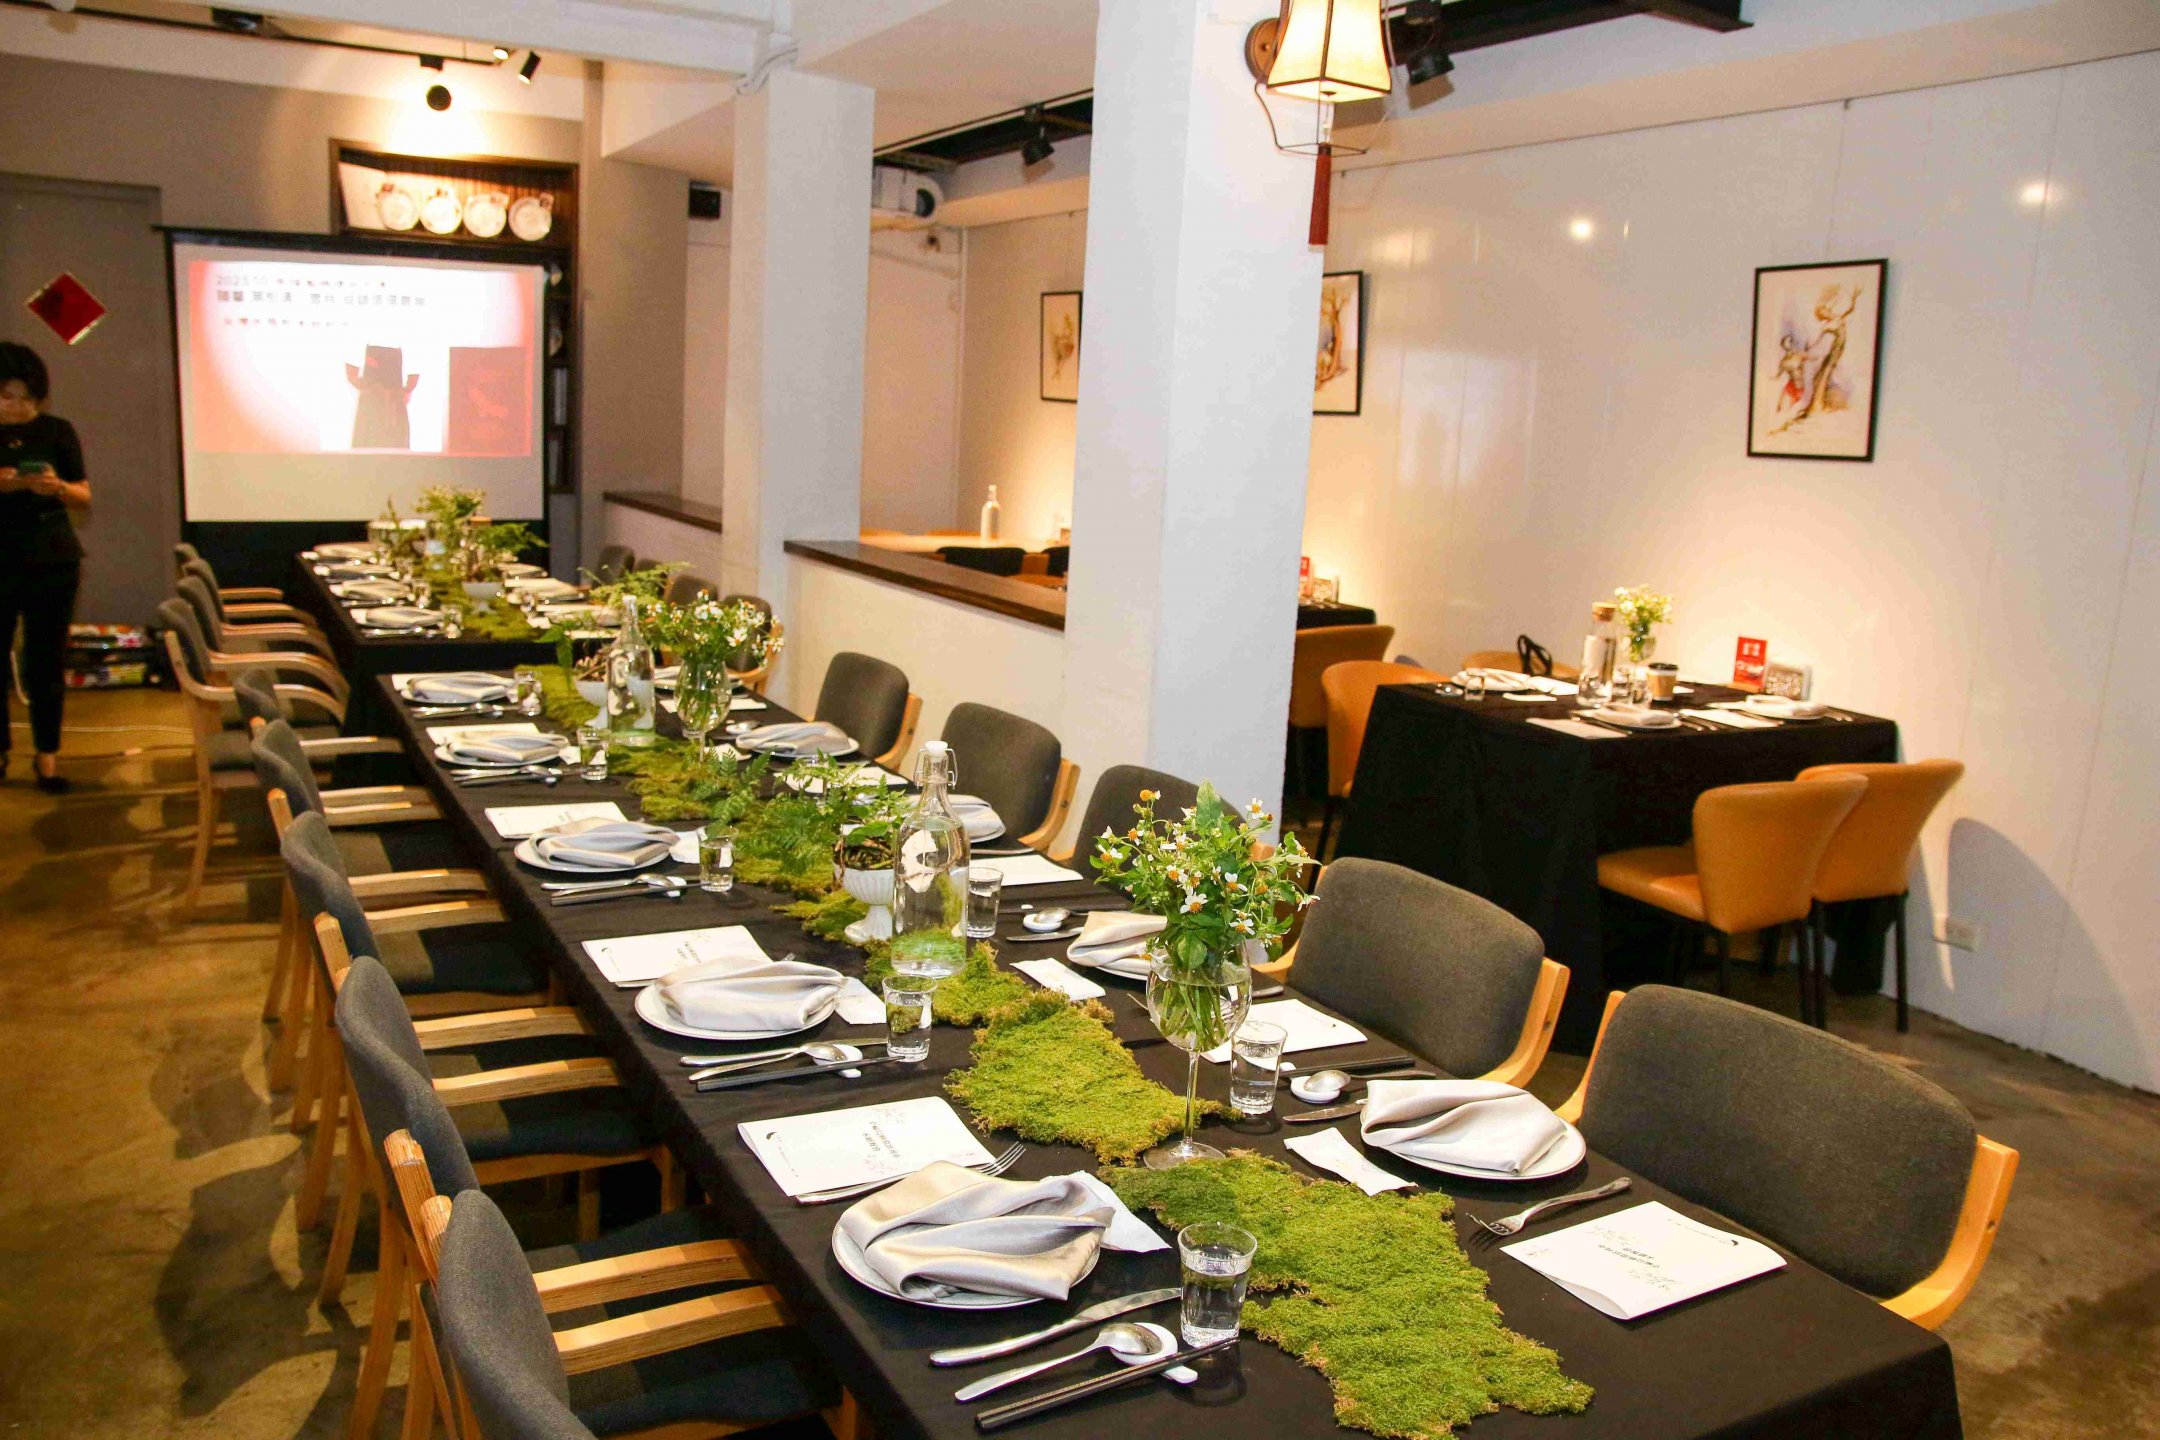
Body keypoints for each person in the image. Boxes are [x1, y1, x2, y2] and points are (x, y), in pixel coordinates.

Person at [0, 341, 92, 793]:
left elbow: (84, 496)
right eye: (7, 396)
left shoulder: (58, 431)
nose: (18, 406)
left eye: (27, 397)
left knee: (46, 661)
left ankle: (48, 756)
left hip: (51, 556)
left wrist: (55, 487)